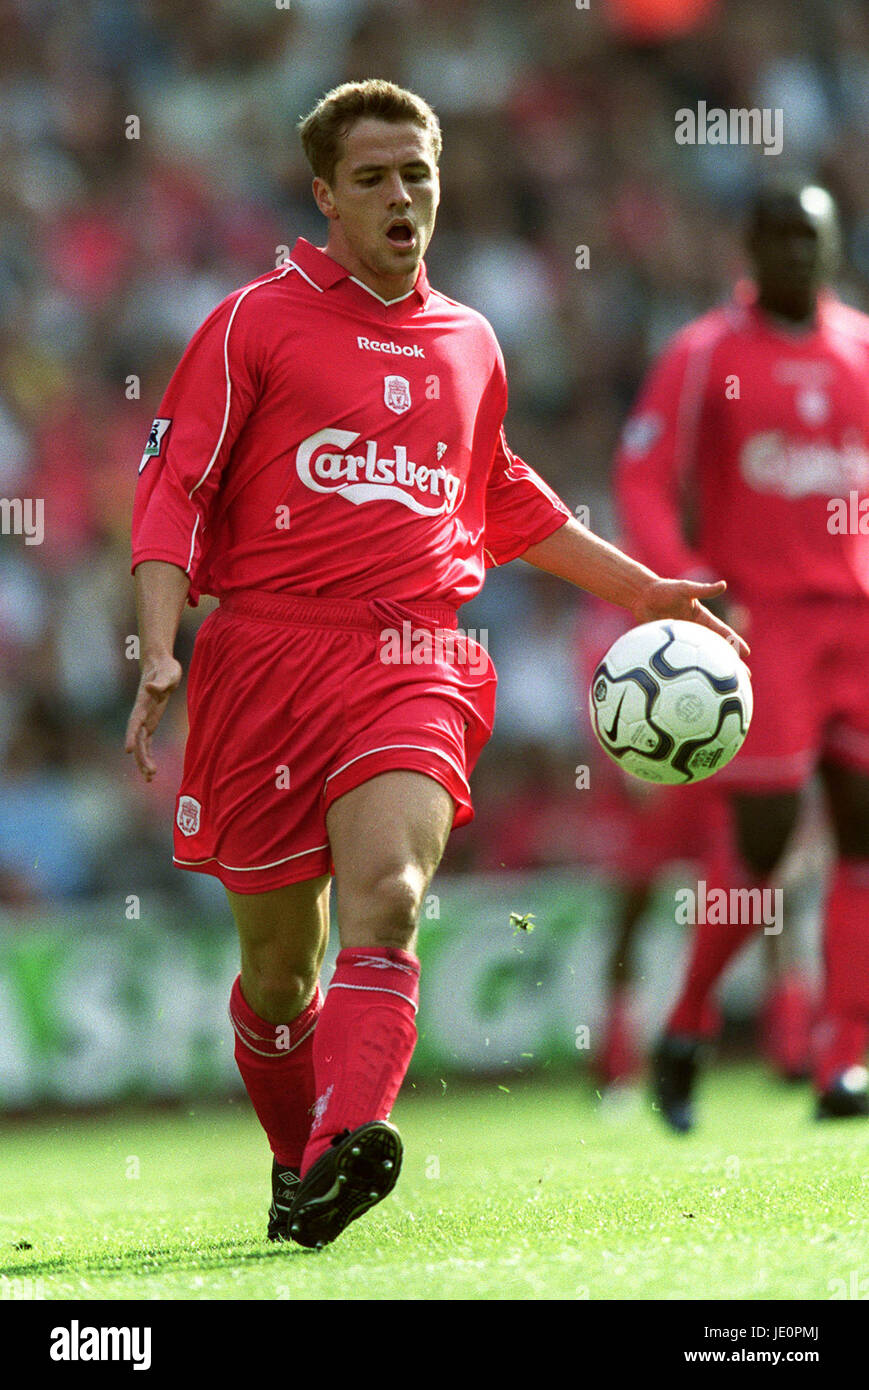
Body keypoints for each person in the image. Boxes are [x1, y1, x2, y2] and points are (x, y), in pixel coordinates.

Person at [125, 79, 745, 1249]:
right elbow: (174, 490)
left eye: (416, 173)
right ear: (324, 196)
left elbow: (499, 493)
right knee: (274, 976)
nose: (400, 196)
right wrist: (159, 645)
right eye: (371, 178)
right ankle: (297, 1160)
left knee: (391, 899)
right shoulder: (253, 322)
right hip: (261, 658)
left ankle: (342, 1142)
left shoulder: (469, 338)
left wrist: (642, 590)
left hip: (412, 653)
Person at [616, 179, 869, 1127]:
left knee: (861, 833)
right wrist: (681, 577)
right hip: (761, 627)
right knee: (762, 842)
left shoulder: (860, 348)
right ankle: (685, 1022)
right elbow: (641, 472)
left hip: (857, 621)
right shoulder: (704, 354)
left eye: (810, 237)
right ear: (749, 249)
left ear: (834, 244)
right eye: (776, 238)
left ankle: (840, 1057)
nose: (794, 254)